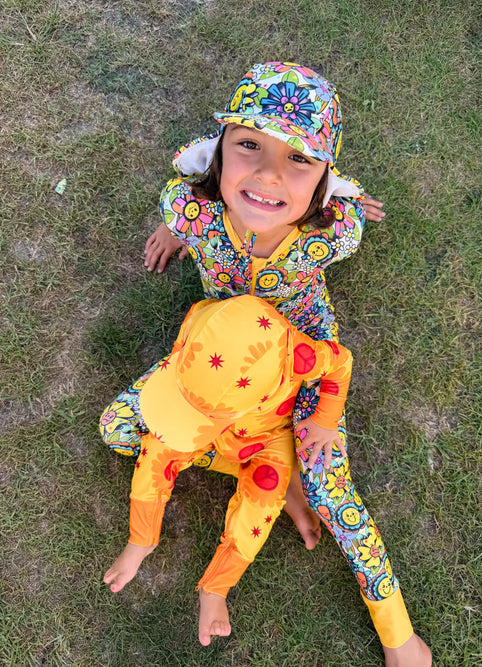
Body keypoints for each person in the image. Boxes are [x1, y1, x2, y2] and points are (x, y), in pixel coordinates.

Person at [105, 62, 431, 664]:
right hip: (218, 360)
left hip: (300, 361)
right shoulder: (189, 209)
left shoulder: (335, 233)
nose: (269, 174)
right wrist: (178, 232)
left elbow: (336, 361)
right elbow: (187, 188)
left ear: (324, 186)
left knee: (332, 490)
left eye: (299, 160)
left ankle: (400, 634)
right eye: (249, 145)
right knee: (117, 428)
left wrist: (324, 418)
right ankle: (273, 472)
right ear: (218, 155)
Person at [102, 295, 353, 646]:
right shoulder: (203, 316)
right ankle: (141, 539)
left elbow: (341, 362)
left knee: (264, 497)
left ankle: (216, 587)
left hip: (267, 438)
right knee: (158, 445)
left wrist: (326, 419)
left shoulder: (297, 356)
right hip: (212, 427)